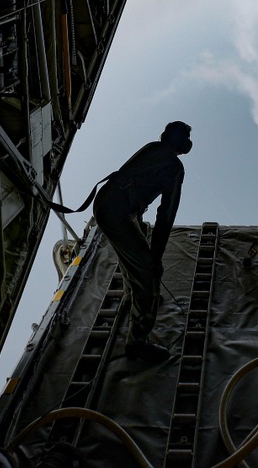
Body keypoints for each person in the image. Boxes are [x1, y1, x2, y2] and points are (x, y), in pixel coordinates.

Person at [92, 121, 192, 363]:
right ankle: (137, 343)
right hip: (118, 211)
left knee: (133, 254)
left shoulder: (152, 148)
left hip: (108, 205)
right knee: (146, 270)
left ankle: (131, 295)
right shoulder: (174, 166)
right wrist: (155, 259)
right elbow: (166, 215)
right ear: (183, 145)